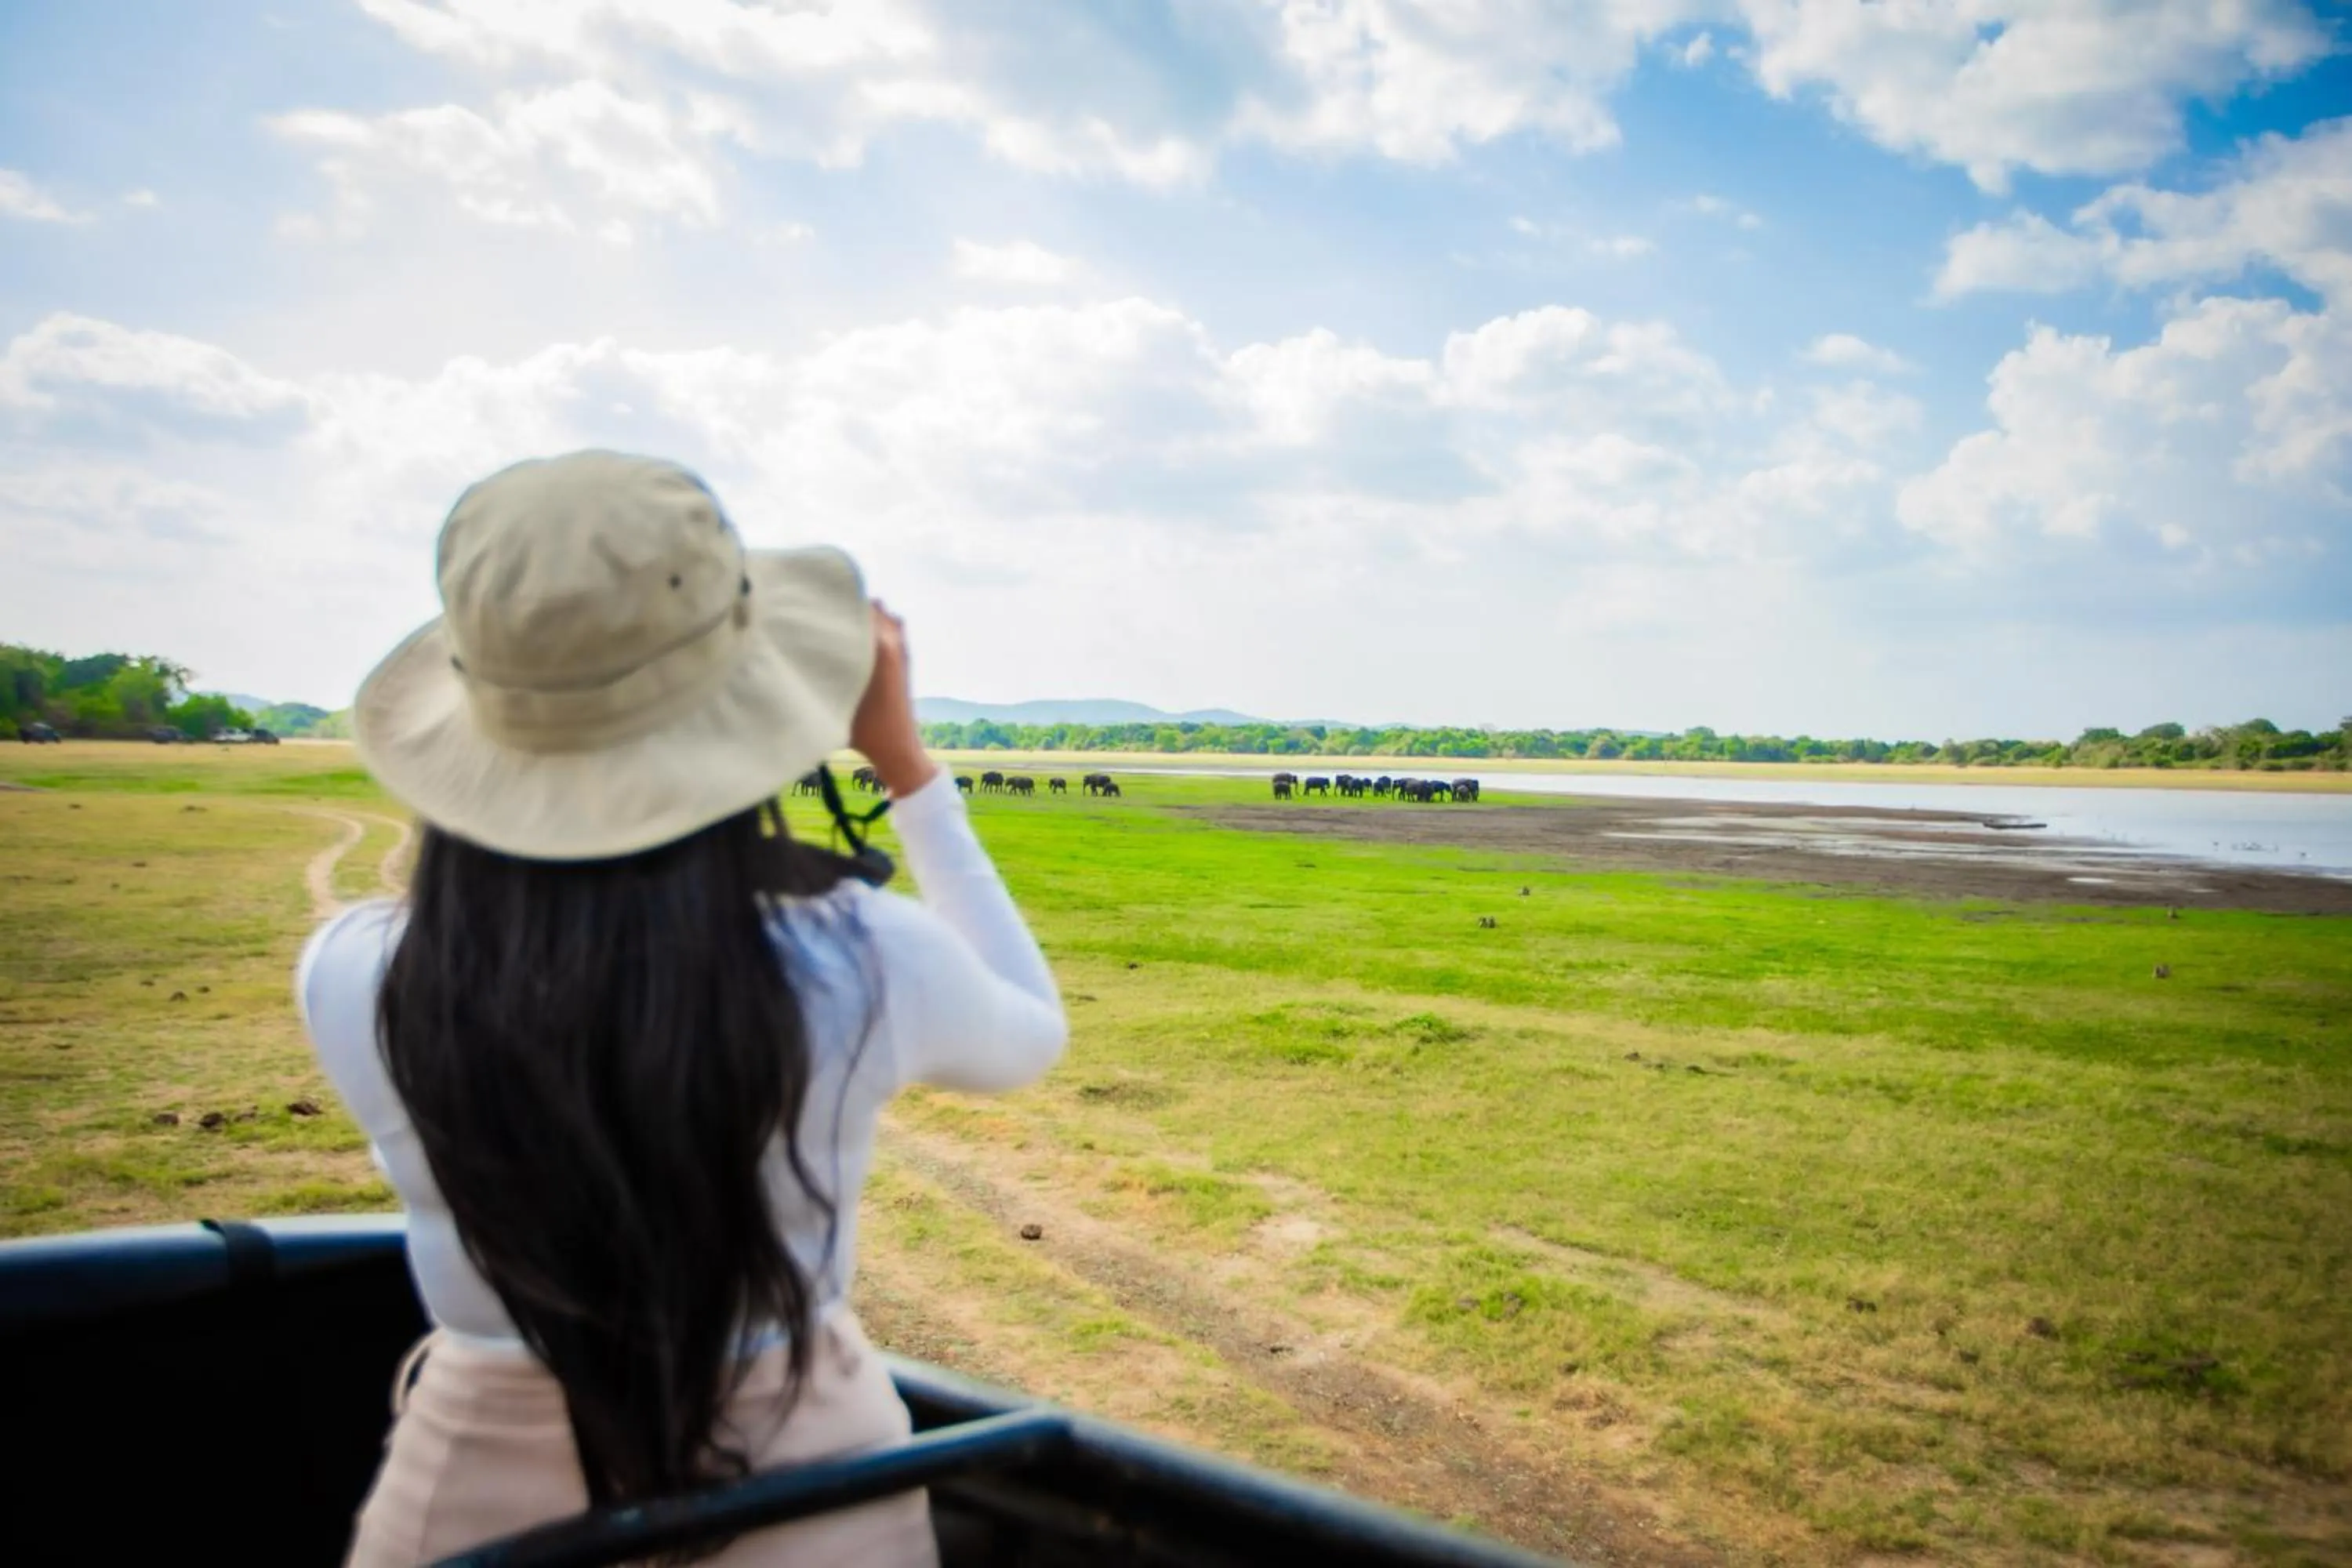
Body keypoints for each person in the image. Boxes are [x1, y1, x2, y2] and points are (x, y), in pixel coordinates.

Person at [298, 451, 1066, 1566]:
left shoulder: (355, 969)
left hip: (468, 1488)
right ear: (753, 702)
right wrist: (907, 768)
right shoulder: (860, 961)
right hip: (811, 1484)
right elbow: (1029, 1029)